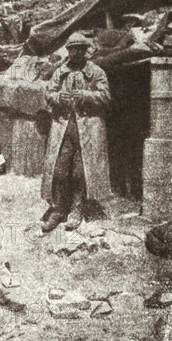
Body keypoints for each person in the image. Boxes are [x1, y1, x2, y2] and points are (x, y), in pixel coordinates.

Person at [40, 32, 113, 232]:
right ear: (68, 51)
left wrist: (85, 95)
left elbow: (106, 97)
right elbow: (48, 93)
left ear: (85, 50)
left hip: (87, 129)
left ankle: (76, 209)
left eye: (80, 48)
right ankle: (59, 209)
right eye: (73, 49)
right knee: (60, 170)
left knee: (80, 172)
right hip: (63, 127)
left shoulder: (96, 72)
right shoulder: (59, 72)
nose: (76, 52)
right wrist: (58, 98)